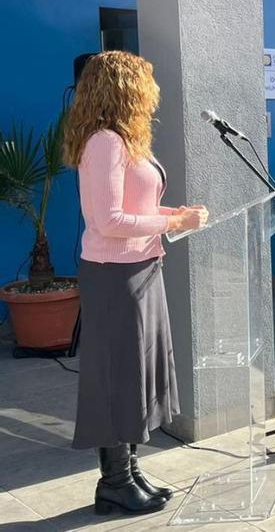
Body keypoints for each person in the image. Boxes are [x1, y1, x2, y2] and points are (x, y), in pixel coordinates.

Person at [65, 51, 209, 515]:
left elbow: (134, 207)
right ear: (124, 88)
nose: (153, 94)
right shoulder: (105, 141)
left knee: (136, 374)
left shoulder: (124, 140)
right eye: (146, 83)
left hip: (140, 268)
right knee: (115, 376)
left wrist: (176, 215)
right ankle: (114, 482)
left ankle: (129, 469)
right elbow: (108, 220)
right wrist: (169, 223)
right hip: (114, 276)